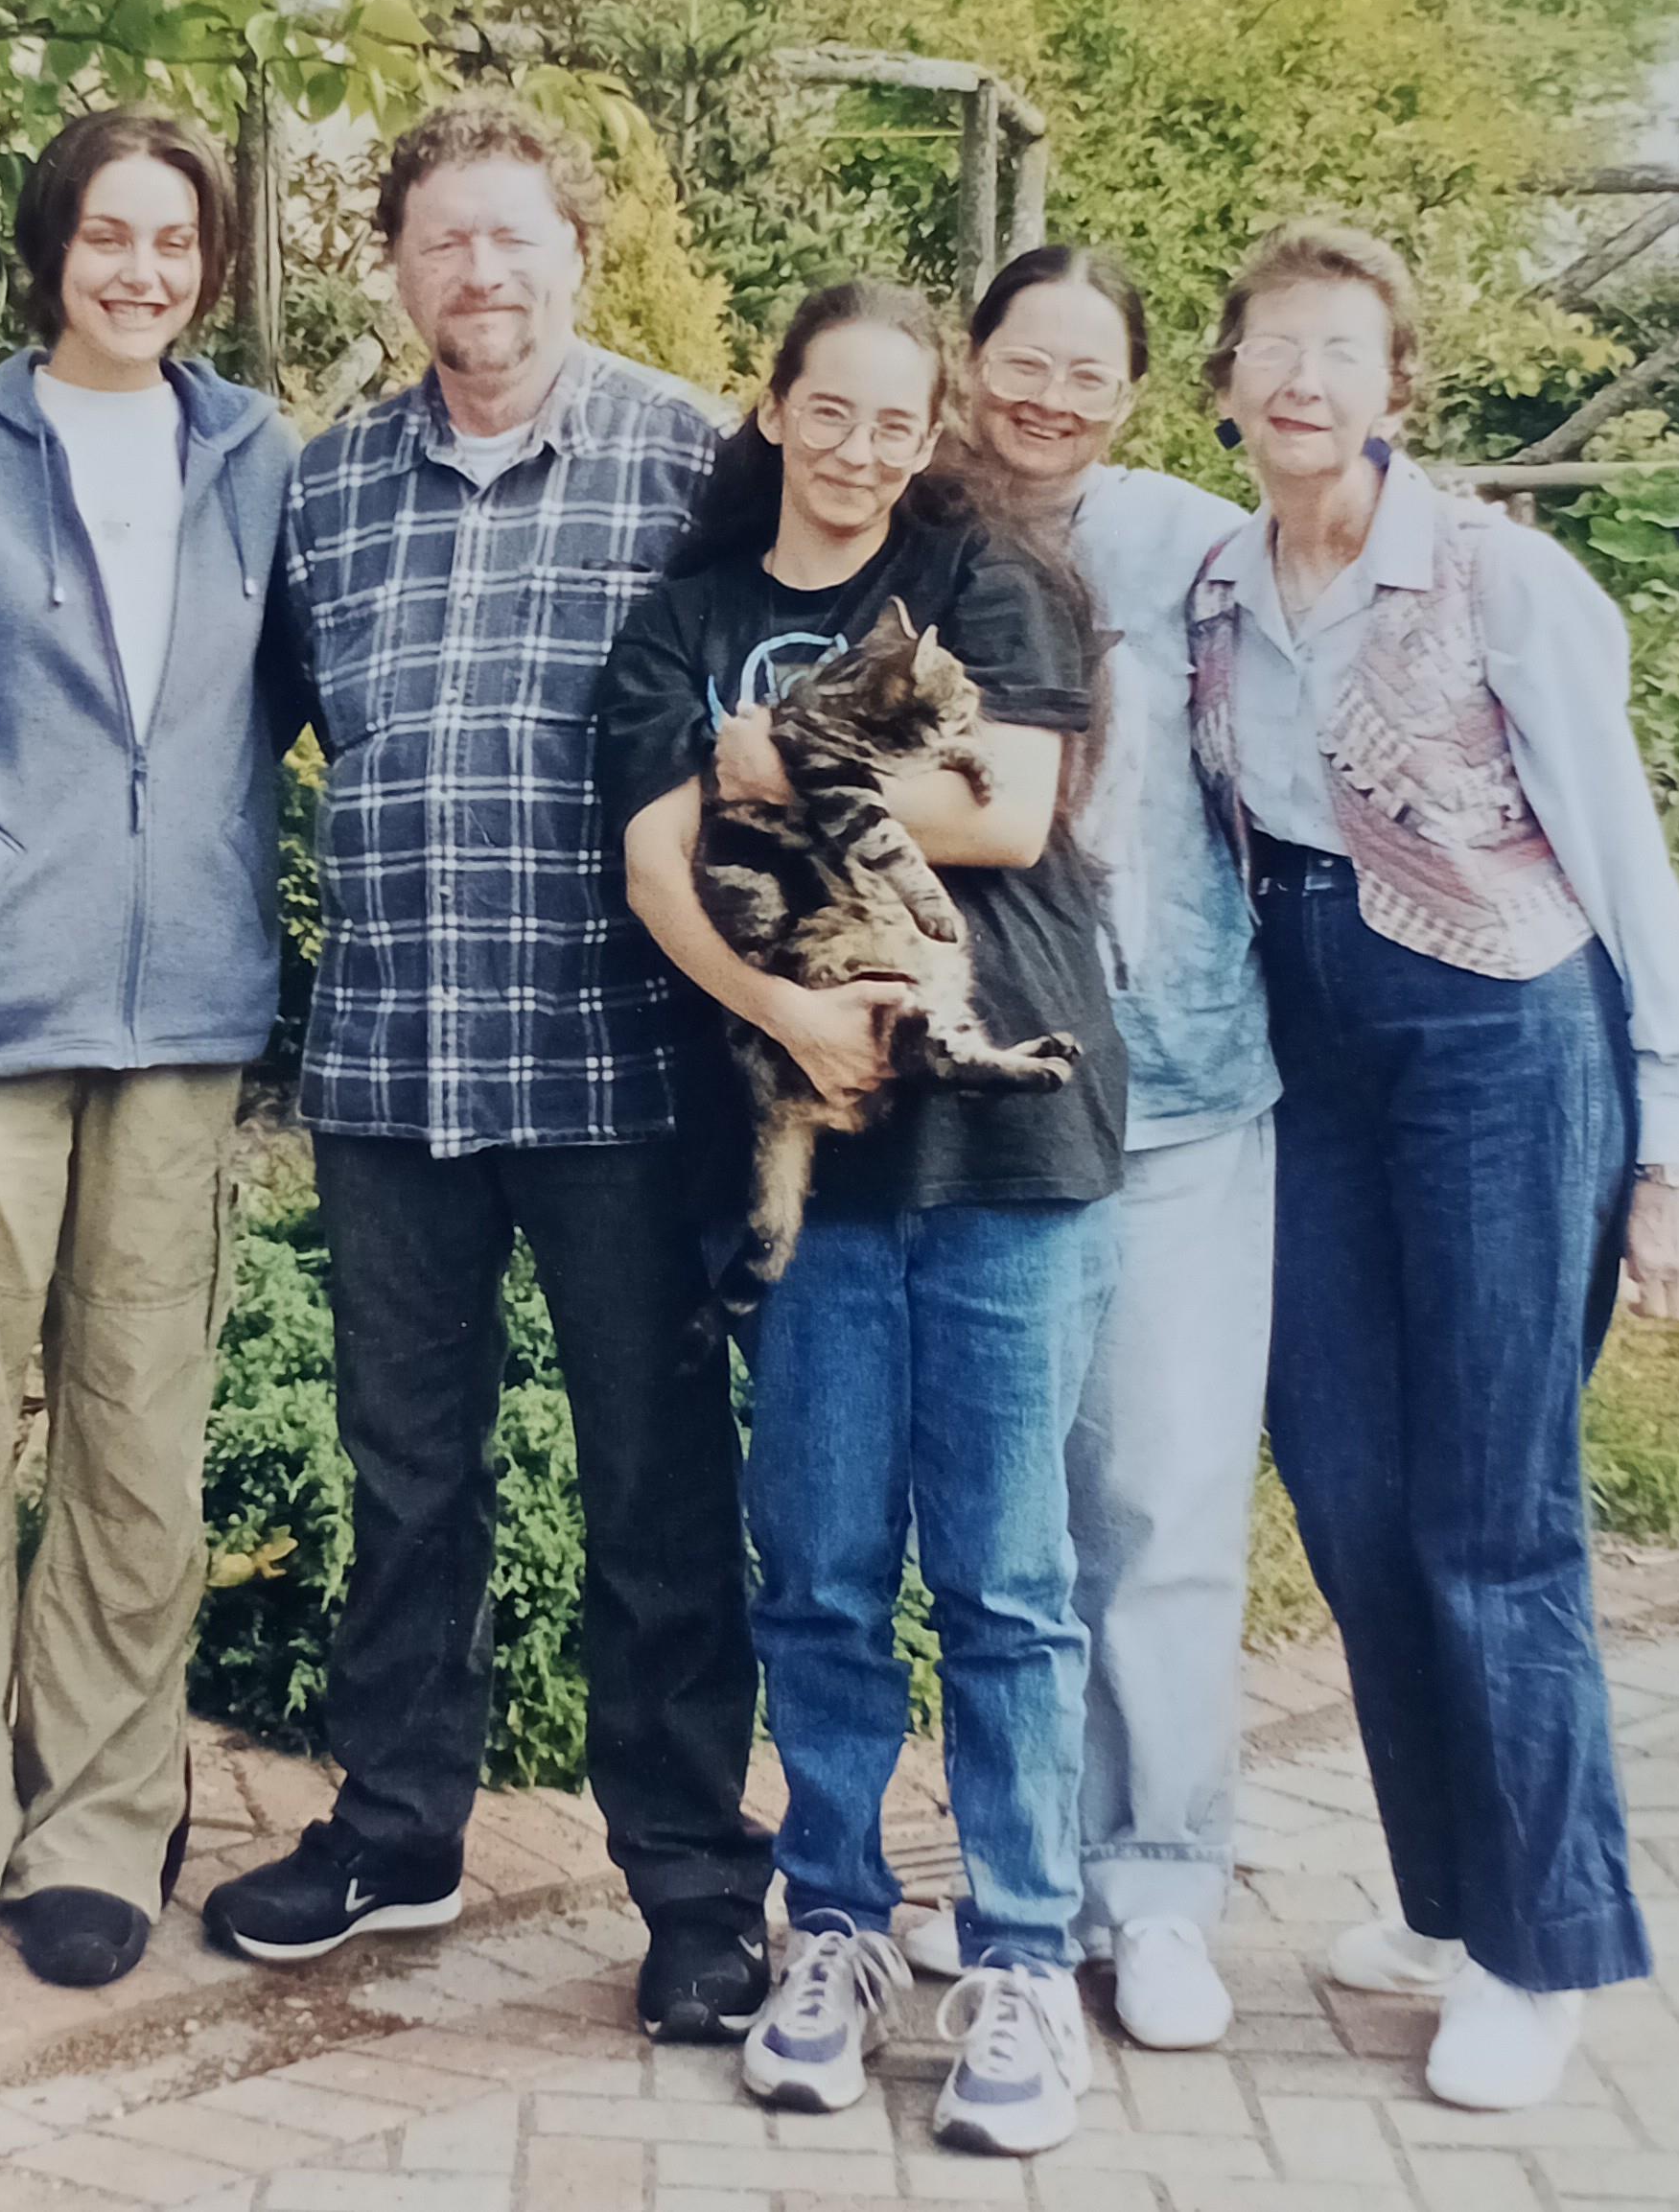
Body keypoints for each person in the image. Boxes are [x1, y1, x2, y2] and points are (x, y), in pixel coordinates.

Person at [201, 94, 773, 2044]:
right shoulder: (329, 488)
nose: (480, 271)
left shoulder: (693, 460)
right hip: (393, 1064)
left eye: (513, 234)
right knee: (406, 1479)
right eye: (443, 238)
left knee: (653, 1493)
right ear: (396, 267)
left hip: (621, 1071)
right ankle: (395, 1828)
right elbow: (266, 721)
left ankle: (691, 1881)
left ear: (574, 252)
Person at [1192, 222, 1679, 2111]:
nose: (1302, 378)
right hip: (1310, 1056)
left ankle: (1536, 1944)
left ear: (1395, 389)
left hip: (1504, 1040)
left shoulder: (1501, 580)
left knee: (1493, 1512)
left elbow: (1622, 859)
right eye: (1272, 346)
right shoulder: (1217, 587)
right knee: (1347, 1485)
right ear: (1227, 381)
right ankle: (1441, 1897)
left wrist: (1676, 1143)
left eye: (1341, 350)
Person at [599, 279, 1127, 2156]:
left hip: (1004, 1152)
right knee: (817, 1572)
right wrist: (786, 1013)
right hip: (807, 1145)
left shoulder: (986, 581)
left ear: (929, 433)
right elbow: (652, 856)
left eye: (895, 422)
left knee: (1002, 1583)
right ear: (773, 406)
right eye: (828, 410)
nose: (857, 448)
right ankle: (829, 1924)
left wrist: (774, 767)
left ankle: (1019, 1957)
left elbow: (1008, 810)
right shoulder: (690, 614)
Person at [0, 109, 301, 1990]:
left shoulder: (263, 464)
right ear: (50, 251)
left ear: (211, 265)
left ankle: (97, 1821)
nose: (140, 271)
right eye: (107, 235)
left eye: (174, 241)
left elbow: (311, 694)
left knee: (136, 1441)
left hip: (182, 1020)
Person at [898, 248, 1276, 2053]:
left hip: (1180, 1086)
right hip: (986, 1092)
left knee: (1160, 1494)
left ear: (1134, 392)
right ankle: (1020, 1883)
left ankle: (1163, 1882)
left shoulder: (1195, 550)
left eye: (1087, 373)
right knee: (1007, 1517)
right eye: (1020, 361)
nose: (1046, 399)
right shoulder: (905, 526)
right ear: (968, 358)